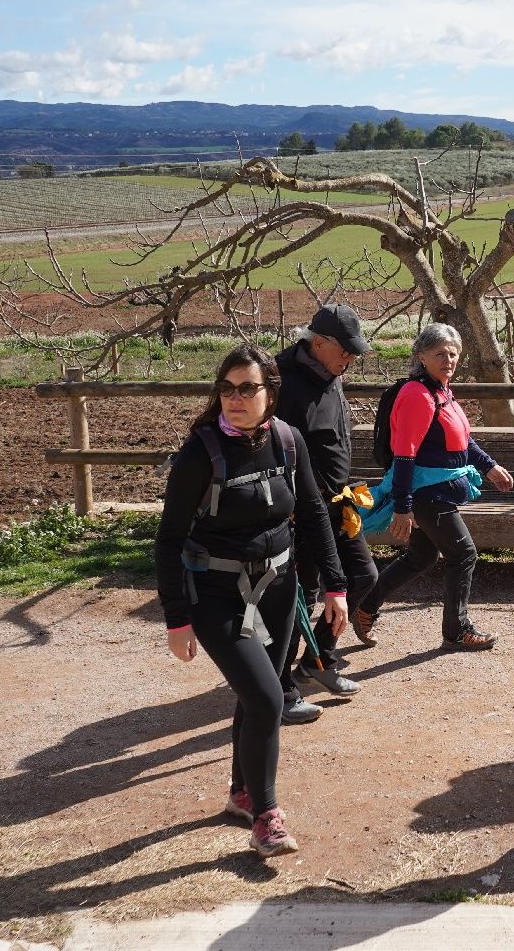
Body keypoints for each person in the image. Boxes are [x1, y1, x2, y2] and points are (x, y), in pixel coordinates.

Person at [155, 345, 349, 857]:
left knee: (255, 697)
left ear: (270, 393)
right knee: (267, 699)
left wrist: (335, 586)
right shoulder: (200, 453)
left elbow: (312, 513)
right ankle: (266, 814)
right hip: (215, 594)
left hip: (280, 591)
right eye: (227, 388)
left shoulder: (288, 442)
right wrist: (177, 619)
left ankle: (242, 794)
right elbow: (169, 540)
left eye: (248, 388)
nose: (235, 399)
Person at [353, 323, 514, 650]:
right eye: (440, 353)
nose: (448, 359)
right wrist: (402, 507)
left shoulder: (441, 391)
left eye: (453, 353)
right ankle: (457, 630)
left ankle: (365, 606)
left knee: (422, 556)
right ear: (421, 356)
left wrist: (489, 466)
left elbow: (462, 441)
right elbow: (404, 454)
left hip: (435, 492)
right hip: (426, 494)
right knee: (463, 553)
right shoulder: (416, 394)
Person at [274, 304, 374, 720]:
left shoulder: (331, 376)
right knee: (300, 596)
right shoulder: (282, 384)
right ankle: (282, 689)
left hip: (337, 504)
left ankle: (318, 659)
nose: (350, 358)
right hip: (300, 512)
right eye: (345, 350)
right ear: (319, 343)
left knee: (364, 578)